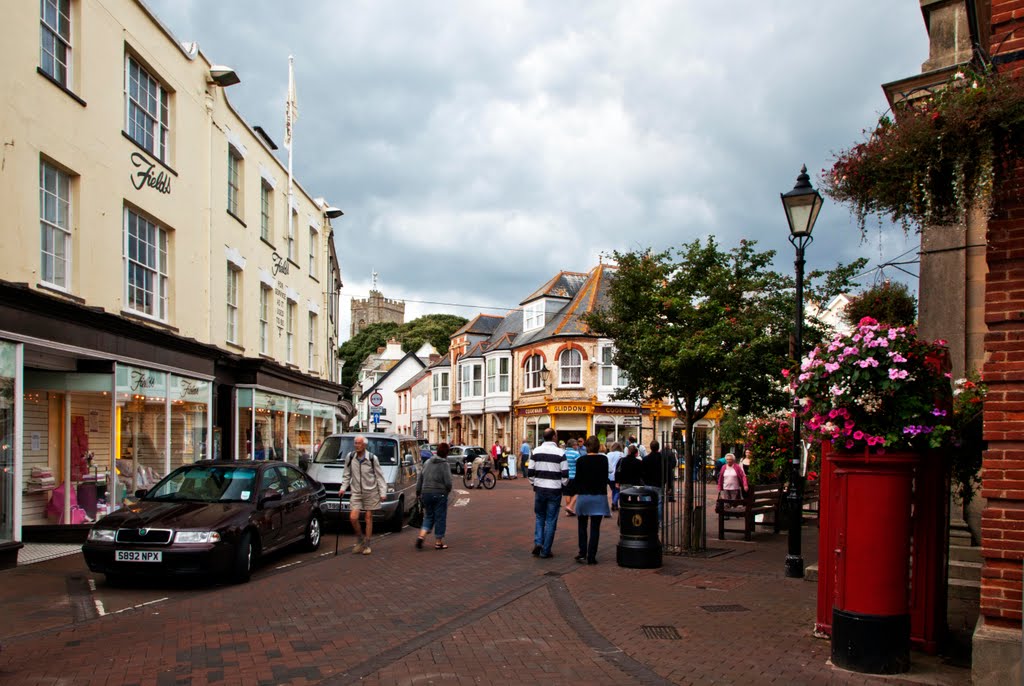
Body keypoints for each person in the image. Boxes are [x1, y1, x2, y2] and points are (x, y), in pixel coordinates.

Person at [338, 435, 387, 555]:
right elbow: (346, 475)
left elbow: (379, 476)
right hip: (356, 491)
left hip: (371, 491)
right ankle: (360, 539)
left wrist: (383, 492)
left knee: (368, 517)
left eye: (359, 443)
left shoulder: (372, 458)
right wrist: (343, 488)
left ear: (364, 445)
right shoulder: (350, 457)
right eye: (355, 443)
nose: (356, 445)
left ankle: (367, 544)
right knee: (353, 517)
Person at [528, 427, 568, 559]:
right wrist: (562, 485)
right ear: (554, 437)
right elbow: (565, 475)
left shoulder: (536, 451)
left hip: (540, 489)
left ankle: (538, 542)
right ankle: (545, 550)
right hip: (554, 490)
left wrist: (535, 483)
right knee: (551, 520)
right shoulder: (560, 453)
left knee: (540, 516)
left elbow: (530, 472)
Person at [574, 436, 610, 564]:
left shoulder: (581, 460)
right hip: (599, 496)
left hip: (584, 496)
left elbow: (577, 479)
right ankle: (592, 556)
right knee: (595, 527)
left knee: (582, 526)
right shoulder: (604, 460)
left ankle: (582, 552)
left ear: (587, 446)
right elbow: (605, 478)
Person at [416, 442, 453, 550]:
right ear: (446, 453)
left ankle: (421, 536)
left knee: (428, 515)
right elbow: (448, 482)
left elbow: (420, 478)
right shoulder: (444, 464)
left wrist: (418, 491)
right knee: (440, 517)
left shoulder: (427, 462)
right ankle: (438, 542)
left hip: (426, 493)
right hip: (440, 494)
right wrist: (447, 490)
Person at [641, 440, 668, 520]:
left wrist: (644, 481)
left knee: (648, 502)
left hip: (648, 484)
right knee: (659, 503)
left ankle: (648, 519)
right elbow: (666, 472)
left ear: (650, 447)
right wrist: (666, 483)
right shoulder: (663, 459)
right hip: (658, 484)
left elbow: (642, 472)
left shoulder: (645, 459)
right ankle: (659, 521)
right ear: (658, 447)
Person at [563, 438, 580, 516]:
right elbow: (580, 464)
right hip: (574, 476)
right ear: (573, 445)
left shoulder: (563, 453)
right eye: (576, 444)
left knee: (567, 493)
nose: (577, 446)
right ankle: (570, 507)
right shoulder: (576, 453)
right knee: (577, 492)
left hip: (565, 476)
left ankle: (568, 510)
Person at [606, 441, 624, 511]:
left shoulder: (609, 454)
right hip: (618, 475)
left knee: (614, 490)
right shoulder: (621, 454)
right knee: (618, 490)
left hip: (610, 475)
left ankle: (615, 504)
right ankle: (614, 502)